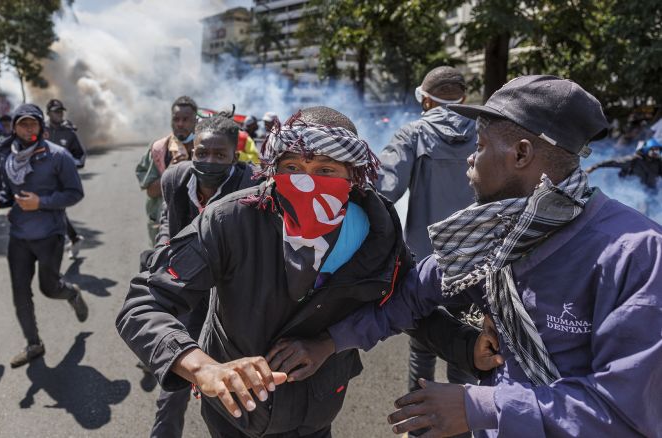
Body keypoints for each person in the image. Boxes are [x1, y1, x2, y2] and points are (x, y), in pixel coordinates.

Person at [278, 76, 662, 437]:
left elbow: (623, 411)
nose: (469, 160)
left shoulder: (636, 252)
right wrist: (327, 343)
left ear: (522, 154)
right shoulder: (488, 235)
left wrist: (481, 405)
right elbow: (409, 296)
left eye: (479, 146)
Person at [118, 106, 491, 437]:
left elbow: (405, 302)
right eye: (292, 168)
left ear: (352, 176)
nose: (305, 182)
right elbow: (144, 302)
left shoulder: (377, 230)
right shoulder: (232, 220)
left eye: (325, 170)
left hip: (318, 409)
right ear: (273, 171)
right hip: (235, 417)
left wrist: (467, 347)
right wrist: (203, 369)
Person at [145, 112, 262, 438]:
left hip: (236, 294)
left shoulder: (254, 184)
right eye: (202, 153)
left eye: (220, 155)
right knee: (176, 374)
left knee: (239, 382)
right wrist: (163, 255)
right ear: (191, 150)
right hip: (192, 289)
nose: (209, 160)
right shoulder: (176, 179)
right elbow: (168, 225)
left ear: (234, 157)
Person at [376, 66, 478, 423]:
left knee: (422, 344)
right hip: (480, 261)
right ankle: (458, 424)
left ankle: (418, 424)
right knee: (467, 347)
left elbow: (385, 191)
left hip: (425, 261)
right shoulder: (489, 132)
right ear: (463, 98)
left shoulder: (414, 133)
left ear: (427, 100)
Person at [0, 103, 88, 368]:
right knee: (20, 292)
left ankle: (72, 293)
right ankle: (34, 344)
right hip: (19, 235)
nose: (28, 128)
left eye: (33, 123)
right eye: (23, 123)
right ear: (14, 127)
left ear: (41, 126)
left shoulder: (58, 156)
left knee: (49, 288)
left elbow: (75, 193)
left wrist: (41, 201)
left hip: (50, 233)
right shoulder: (9, 157)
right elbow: (10, 192)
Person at [135, 96, 198, 247]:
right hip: (165, 229)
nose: (180, 124)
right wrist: (172, 173)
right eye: (176, 119)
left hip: (198, 229)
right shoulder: (160, 149)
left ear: (195, 121)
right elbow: (151, 191)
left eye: (185, 119)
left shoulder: (208, 149)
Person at [45, 99, 86, 258]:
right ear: (48, 113)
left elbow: (80, 156)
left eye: (61, 111)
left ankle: (55, 251)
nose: (59, 114)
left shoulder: (69, 132)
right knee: (54, 210)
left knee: (55, 209)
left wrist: (68, 165)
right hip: (42, 178)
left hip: (60, 180)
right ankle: (74, 238)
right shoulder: (41, 129)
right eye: (56, 111)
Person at [585, 137, 661, 190]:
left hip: (650, 192)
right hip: (630, 190)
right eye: (653, 149)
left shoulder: (658, 163)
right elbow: (613, 162)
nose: (656, 152)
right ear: (646, 149)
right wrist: (594, 166)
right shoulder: (634, 160)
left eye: (657, 150)